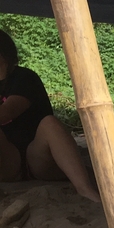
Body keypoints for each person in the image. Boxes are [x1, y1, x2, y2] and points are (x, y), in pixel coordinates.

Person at [0, 29, 99, 202]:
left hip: (39, 157)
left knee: (50, 124)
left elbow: (6, 112)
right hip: (7, 160)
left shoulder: (24, 78)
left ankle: (85, 189)